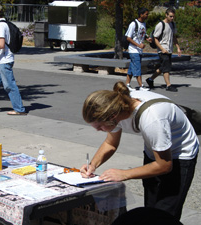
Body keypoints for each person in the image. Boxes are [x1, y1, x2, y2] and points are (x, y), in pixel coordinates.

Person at [80, 81, 199, 220]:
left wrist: (124, 174)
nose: (98, 131)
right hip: (156, 150)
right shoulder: (117, 107)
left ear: (112, 117)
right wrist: (93, 165)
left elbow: (164, 165)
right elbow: (110, 143)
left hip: (180, 153)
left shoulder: (152, 118)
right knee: (149, 210)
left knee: (165, 214)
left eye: (100, 127)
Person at [146, 7, 181, 92]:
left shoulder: (172, 24)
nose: (172, 18)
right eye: (170, 16)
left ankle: (150, 79)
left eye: (173, 16)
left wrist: (178, 47)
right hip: (162, 50)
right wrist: (162, 48)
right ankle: (168, 85)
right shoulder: (160, 25)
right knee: (166, 68)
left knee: (163, 67)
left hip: (169, 49)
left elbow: (173, 36)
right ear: (166, 15)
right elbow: (155, 38)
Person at [125, 8, 151, 91]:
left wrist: (147, 38)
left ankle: (127, 84)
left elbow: (142, 33)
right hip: (133, 50)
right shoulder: (133, 24)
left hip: (139, 50)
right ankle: (141, 86)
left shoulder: (144, 24)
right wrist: (138, 45)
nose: (147, 15)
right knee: (137, 68)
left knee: (132, 68)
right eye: (146, 14)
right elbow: (128, 38)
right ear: (141, 14)